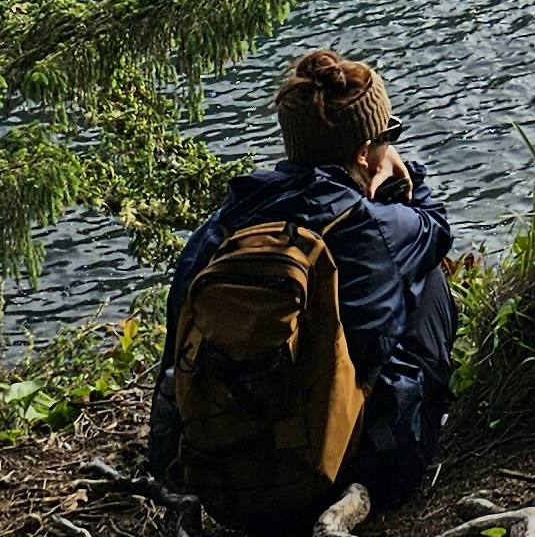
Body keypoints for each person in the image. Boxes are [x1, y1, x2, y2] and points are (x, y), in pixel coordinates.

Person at [150, 48, 457, 512]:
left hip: (222, 486)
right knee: (428, 280)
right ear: (363, 152)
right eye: (388, 135)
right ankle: (399, 439)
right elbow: (437, 228)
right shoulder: (372, 226)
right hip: (349, 480)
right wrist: (404, 168)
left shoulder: (223, 225)